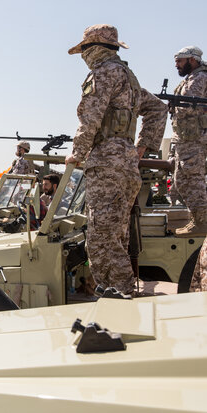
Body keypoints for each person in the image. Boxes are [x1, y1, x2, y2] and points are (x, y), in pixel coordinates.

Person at [65, 24, 166, 295]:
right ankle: (121, 293)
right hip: (126, 165)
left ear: (93, 49)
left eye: (84, 50)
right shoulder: (128, 78)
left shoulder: (103, 73)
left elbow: (91, 117)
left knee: (100, 242)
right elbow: (158, 108)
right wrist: (142, 148)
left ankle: (118, 295)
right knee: (116, 236)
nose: (84, 56)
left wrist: (77, 152)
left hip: (107, 164)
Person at [168, 46, 207, 237]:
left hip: (195, 138)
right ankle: (198, 219)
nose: (177, 65)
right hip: (186, 138)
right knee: (182, 181)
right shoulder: (191, 79)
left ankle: (203, 222)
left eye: (180, 61)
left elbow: (191, 104)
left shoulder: (200, 78)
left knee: (193, 179)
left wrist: (174, 104)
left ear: (192, 60)